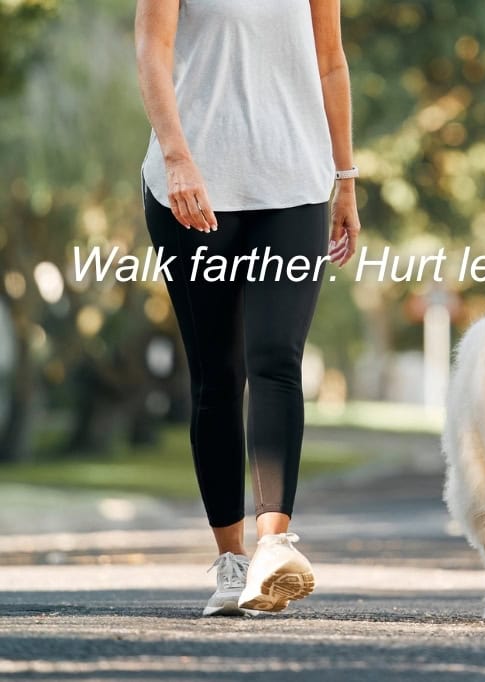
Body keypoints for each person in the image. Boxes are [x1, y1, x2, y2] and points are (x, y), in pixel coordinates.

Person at [135, 0, 360, 615]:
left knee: (276, 359)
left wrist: (346, 178)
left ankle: (273, 546)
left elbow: (331, 62)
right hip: (193, 186)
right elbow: (152, 50)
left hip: (294, 185)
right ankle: (232, 563)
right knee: (217, 374)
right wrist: (178, 157)